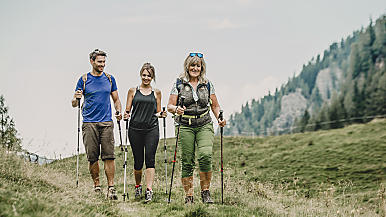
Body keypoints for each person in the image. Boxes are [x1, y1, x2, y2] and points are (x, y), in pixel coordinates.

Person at [167, 52, 226, 204]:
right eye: (192, 65)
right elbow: (169, 106)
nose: (195, 68)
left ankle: (205, 192)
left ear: (202, 67)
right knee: (187, 161)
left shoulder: (207, 84)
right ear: (187, 66)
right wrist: (176, 109)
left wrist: (220, 117)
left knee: (205, 156)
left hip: (204, 123)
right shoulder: (179, 83)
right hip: (185, 125)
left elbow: (215, 105)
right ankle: (189, 196)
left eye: (198, 65)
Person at [71, 49, 122, 200]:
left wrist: (118, 110)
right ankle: (97, 186)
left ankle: (111, 188)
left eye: (104, 62)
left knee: (109, 156)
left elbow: (116, 99)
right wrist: (76, 97)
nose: (102, 65)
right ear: (92, 61)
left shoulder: (110, 79)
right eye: (99, 62)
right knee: (92, 157)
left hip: (106, 122)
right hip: (89, 122)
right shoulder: (84, 79)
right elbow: (74, 103)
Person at [124, 63, 167, 203]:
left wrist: (163, 114)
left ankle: (149, 190)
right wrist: (125, 115)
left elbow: (158, 112)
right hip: (135, 129)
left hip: (151, 129)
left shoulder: (157, 92)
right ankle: (138, 186)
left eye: (149, 75)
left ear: (152, 77)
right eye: (144, 75)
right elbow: (127, 110)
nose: (146, 78)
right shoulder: (132, 91)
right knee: (138, 161)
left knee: (150, 159)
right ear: (140, 75)